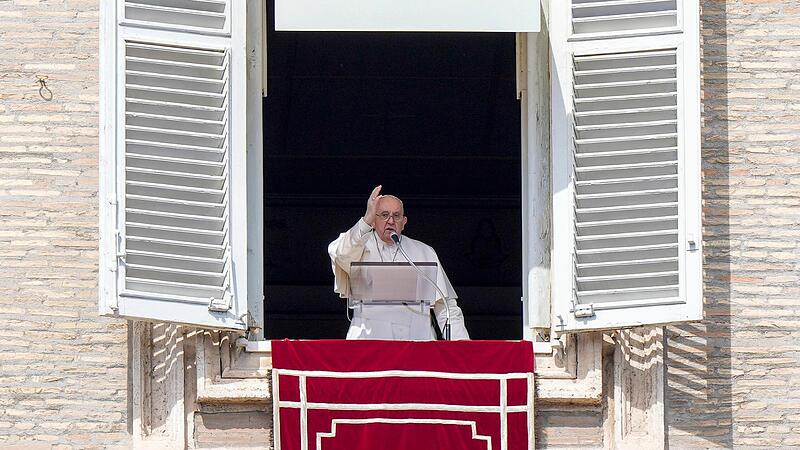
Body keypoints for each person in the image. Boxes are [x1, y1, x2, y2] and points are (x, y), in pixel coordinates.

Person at [328, 185, 470, 340]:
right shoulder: (357, 245)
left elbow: (446, 307)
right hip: (369, 340)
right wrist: (365, 221)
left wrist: (461, 346)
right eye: (383, 215)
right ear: (373, 220)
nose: (390, 221)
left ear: (404, 222)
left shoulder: (424, 252)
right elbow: (340, 254)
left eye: (396, 216)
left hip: (416, 341)